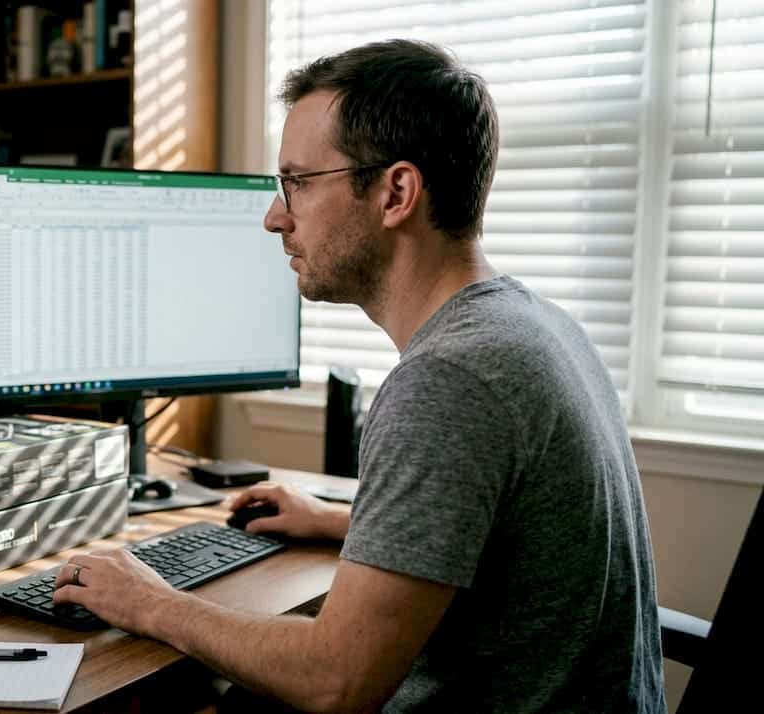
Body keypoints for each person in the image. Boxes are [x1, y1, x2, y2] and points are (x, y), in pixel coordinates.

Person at [52, 39, 665, 713]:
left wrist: (150, 602)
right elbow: (510, 539)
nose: (274, 216)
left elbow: (336, 681)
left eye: (298, 183)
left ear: (395, 192)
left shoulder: (450, 379)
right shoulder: (531, 324)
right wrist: (346, 522)